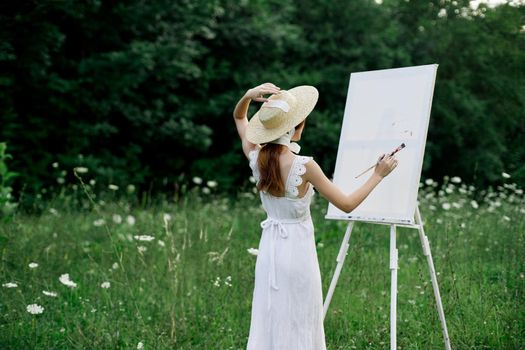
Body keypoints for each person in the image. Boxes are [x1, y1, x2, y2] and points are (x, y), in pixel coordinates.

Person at [233, 82, 398, 349]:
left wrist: (248, 96)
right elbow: (346, 204)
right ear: (296, 128)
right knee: (300, 317)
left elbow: (239, 117)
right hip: (297, 251)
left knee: (270, 315)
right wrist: (378, 175)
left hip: (270, 250)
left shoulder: (255, 155)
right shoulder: (304, 165)